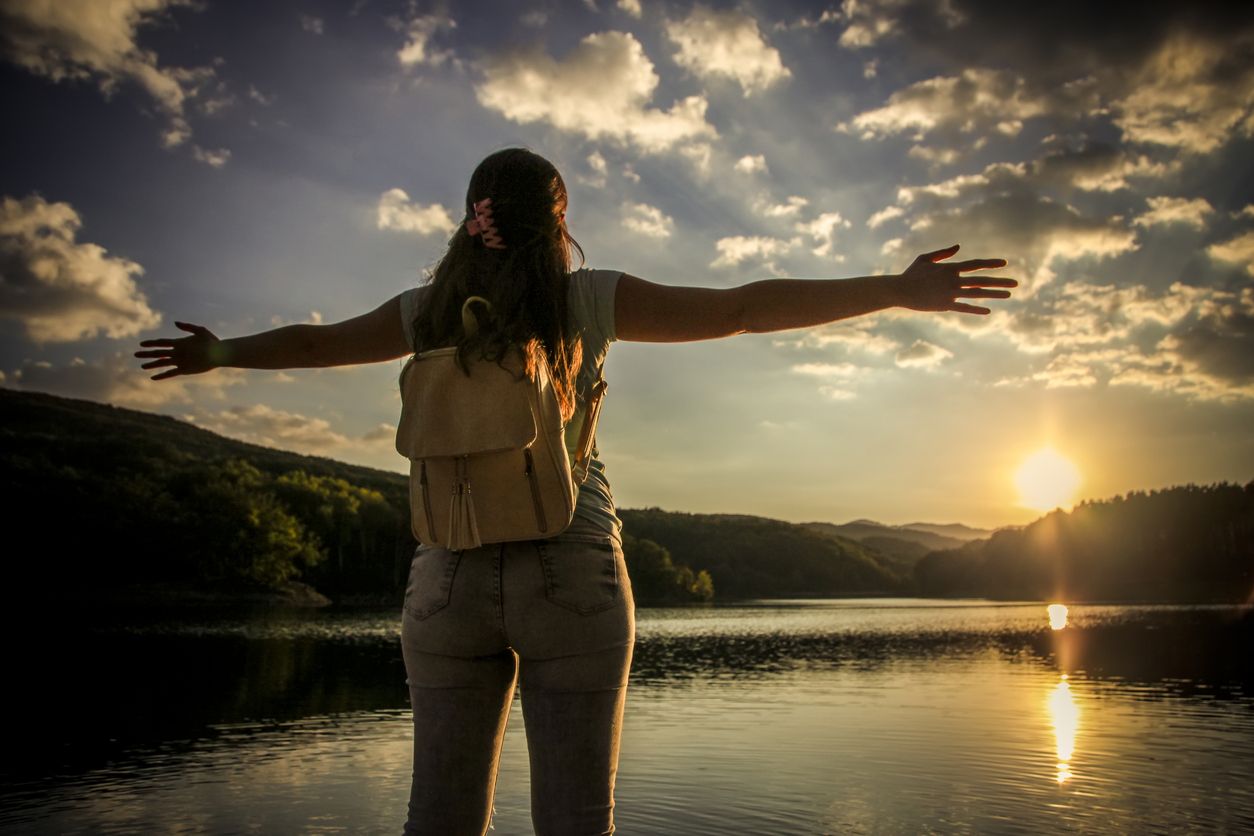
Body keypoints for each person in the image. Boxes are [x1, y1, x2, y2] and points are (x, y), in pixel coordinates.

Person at [135, 147, 1015, 835]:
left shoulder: (424, 312)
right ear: (556, 222)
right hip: (574, 570)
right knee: (576, 827)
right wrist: (894, 291)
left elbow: (318, 346)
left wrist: (220, 353)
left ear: (471, 220)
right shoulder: (586, 299)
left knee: (435, 826)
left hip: (445, 579)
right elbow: (745, 305)